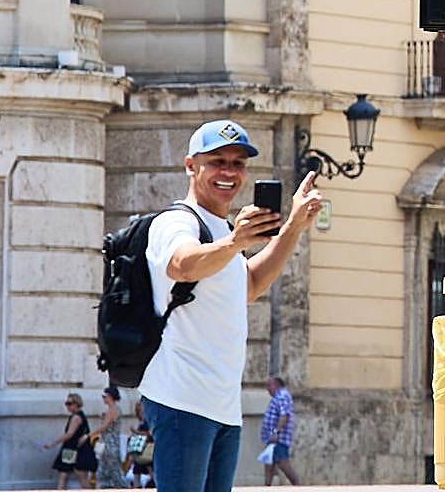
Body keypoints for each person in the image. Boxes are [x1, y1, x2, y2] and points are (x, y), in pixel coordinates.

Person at [138, 120, 323, 492]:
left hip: (222, 406)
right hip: (182, 400)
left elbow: (249, 286)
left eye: (238, 164)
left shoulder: (223, 230)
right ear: (191, 165)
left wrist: (293, 227)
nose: (229, 172)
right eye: (217, 161)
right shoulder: (175, 222)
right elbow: (183, 265)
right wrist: (236, 243)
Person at [42, 393, 97, 488]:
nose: (67, 406)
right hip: (72, 448)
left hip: (73, 448)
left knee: (78, 475)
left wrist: (53, 443)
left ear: (76, 404)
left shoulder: (76, 417)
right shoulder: (79, 416)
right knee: (65, 475)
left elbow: (69, 434)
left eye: (69, 403)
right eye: (66, 403)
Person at [79, 386, 125, 488]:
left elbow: (104, 427)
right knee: (104, 471)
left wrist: (88, 435)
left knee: (113, 472)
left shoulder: (113, 409)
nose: (103, 399)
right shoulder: (113, 409)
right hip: (107, 443)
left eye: (104, 396)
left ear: (110, 396)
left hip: (109, 443)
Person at [261, 376, 301, 485]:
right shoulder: (278, 397)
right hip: (272, 437)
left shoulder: (282, 396)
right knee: (268, 462)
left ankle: (298, 485)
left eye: (269, 385)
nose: (267, 388)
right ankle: (266, 486)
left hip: (279, 438)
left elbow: (284, 415)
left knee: (282, 462)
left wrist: (276, 432)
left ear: (277, 385)